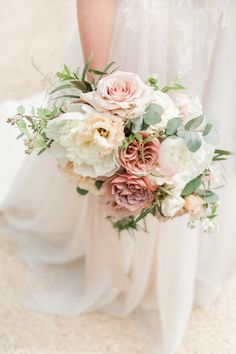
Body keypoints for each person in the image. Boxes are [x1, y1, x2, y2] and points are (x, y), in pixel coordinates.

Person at [0, 1, 236, 353]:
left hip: (216, 24)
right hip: (143, 31)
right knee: (112, 143)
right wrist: (102, 101)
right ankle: (115, 253)